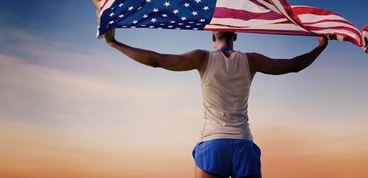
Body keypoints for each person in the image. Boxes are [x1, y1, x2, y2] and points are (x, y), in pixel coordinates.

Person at [103, 29, 328, 178]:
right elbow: (293, 65)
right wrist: (319, 47)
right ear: (236, 34)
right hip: (242, 144)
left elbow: (156, 61)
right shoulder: (251, 60)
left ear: (212, 34)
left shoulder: (203, 58)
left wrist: (114, 43)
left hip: (213, 145)